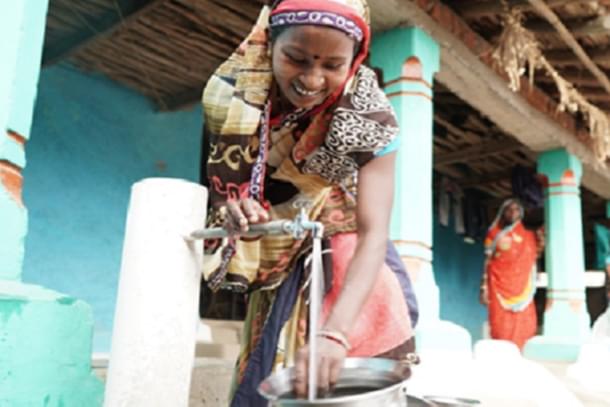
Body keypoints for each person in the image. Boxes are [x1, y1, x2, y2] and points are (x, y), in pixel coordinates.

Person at [199, 0, 416, 404]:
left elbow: (374, 235)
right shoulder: (232, 99)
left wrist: (335, 332)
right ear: (269, 45)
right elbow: (224, 185)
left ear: (355, 59)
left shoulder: (369, 122)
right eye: (296, 59)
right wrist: (233, 205)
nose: (312, 79)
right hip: (275, 266)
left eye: (333, 65)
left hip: (347, 272)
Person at [480, 198, 544, 350]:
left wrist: (540, 235)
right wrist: (483, 286)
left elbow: (537, 251)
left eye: (516, 209)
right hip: (497, 284)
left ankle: (522, 349)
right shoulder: (493, 233)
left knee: (524, 321)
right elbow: (487, 260)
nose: (512, 212)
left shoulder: (528, 234)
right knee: (499, 321)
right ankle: (502, 350)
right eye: (509, 209)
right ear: (502, 213)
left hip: (522, 285)